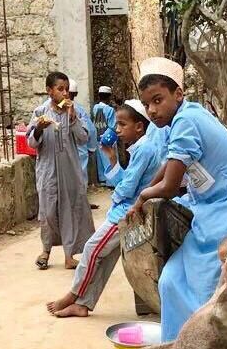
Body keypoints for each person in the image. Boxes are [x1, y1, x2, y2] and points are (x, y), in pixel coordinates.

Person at [125, 57, 227, 342]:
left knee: (204, 286)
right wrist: (145, 193)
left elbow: (169, 186)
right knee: (170, 280)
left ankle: (209, 347)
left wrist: (143, 195)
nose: (152, 110)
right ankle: (175, 345)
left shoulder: (187, 121)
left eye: (158, 100)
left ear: (178, 94)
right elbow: (168, 166)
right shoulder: (178, 121)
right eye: (147, 104)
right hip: (207, 209)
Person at [46, 99, 166, 318]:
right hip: (128, 209)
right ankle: (83, 304)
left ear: (139, 126)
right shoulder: (142, 147)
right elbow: (128, 180)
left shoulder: (144, 149)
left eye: (122, 125)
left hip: (125, 213)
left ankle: (74, 294)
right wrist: (112, 159)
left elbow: (127, 187)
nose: (117, 130)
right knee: (106, 256)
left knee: (92, 249)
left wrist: (116, 195)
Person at [29, 71, 95, 270]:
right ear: (49, 91)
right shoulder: (40, 112)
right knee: (48, 212)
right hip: (48, 171)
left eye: (67, 89)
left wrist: (73, 118)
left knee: (70, 210)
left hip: (69, 170)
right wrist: (39, 128)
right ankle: (46, 250)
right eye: (60, 89)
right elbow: (31, 143)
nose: (65, 93)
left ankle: (69, 255)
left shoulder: (75, 111)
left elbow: (84, 138)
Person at [67, 80, 98, 191]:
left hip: (64, 151)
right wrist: (91, 147)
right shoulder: (80, 110)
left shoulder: (50, 108)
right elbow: (91, 130)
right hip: (80, 149)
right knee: (80, 176)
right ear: (76, 94)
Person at [92, 86, 119, 188]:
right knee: (110, 157)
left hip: (97, 136)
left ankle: (103, 179)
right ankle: (111, 181)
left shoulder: (95, 108)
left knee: (100, 159)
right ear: (109, 97)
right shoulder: (110, 110)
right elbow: (112, 126)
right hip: (108, 137)